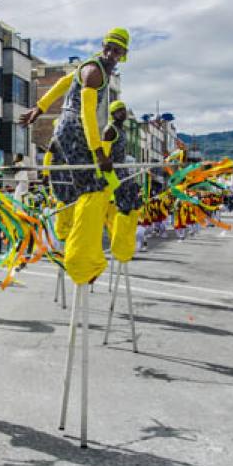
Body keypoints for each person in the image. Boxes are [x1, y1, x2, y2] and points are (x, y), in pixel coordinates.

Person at [20, 28, 129, 284]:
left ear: (124, 54)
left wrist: (41, 106)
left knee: (89, 190)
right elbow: (88, 115)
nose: (112, 54)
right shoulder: (93, 72)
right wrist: (99, 152)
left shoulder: (90, 66)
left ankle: (80, 252)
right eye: (109, 48)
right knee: (92, 190)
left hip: (70, 128)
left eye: (117, 50)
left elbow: (63, 83)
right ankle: (80, 260)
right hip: (75, 129)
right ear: (103, 46)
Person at [102, 99, 141, 263]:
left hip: (123, 171)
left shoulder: (122, 130)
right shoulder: (110, 130)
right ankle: (118, 246)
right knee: (122, 208)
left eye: (124, 110)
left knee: (134, 203)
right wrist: (107, 175)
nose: (123, 113)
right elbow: (103, 152)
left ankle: (126, 244)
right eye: (120, 110)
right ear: (113, 114)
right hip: (113, 172)